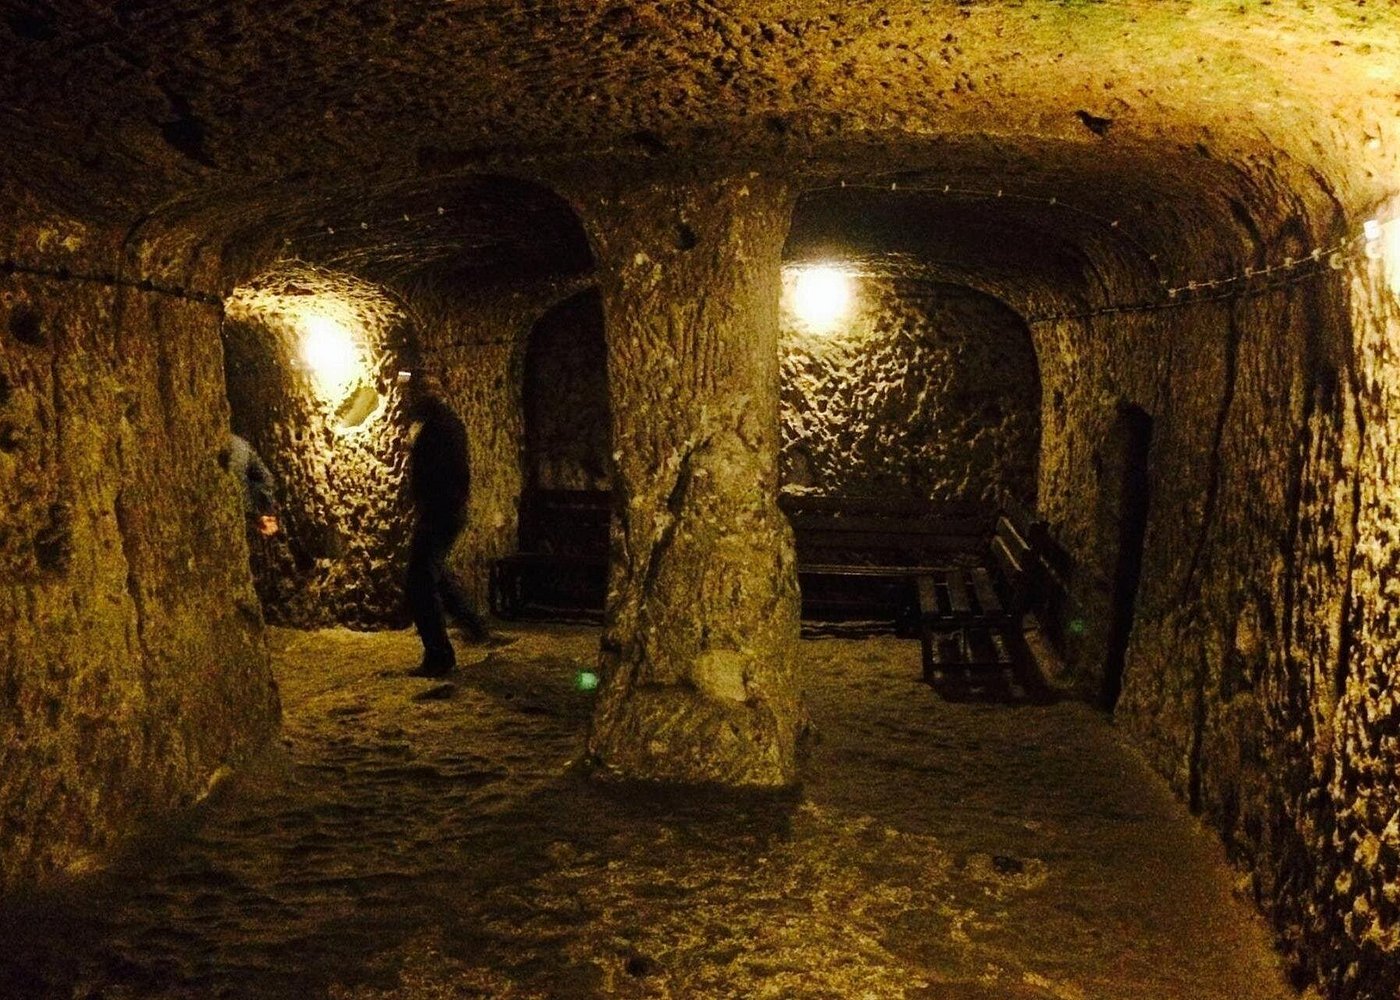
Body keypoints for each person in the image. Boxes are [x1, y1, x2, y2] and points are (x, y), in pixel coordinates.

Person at [404, 374, 491, 677]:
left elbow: (443, 472)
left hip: (440, 509)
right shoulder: (443, 422)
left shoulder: (439, 426)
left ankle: (439, 655)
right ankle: (473, 623)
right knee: (435, 571)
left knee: (419, 580)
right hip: (446, 508)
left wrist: (430, 501)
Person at [221, 433, 280, 537]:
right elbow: (241, 486)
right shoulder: (265, 490)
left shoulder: (267, 485)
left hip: (240, 447)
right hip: (238, 452)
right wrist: (259, 516)